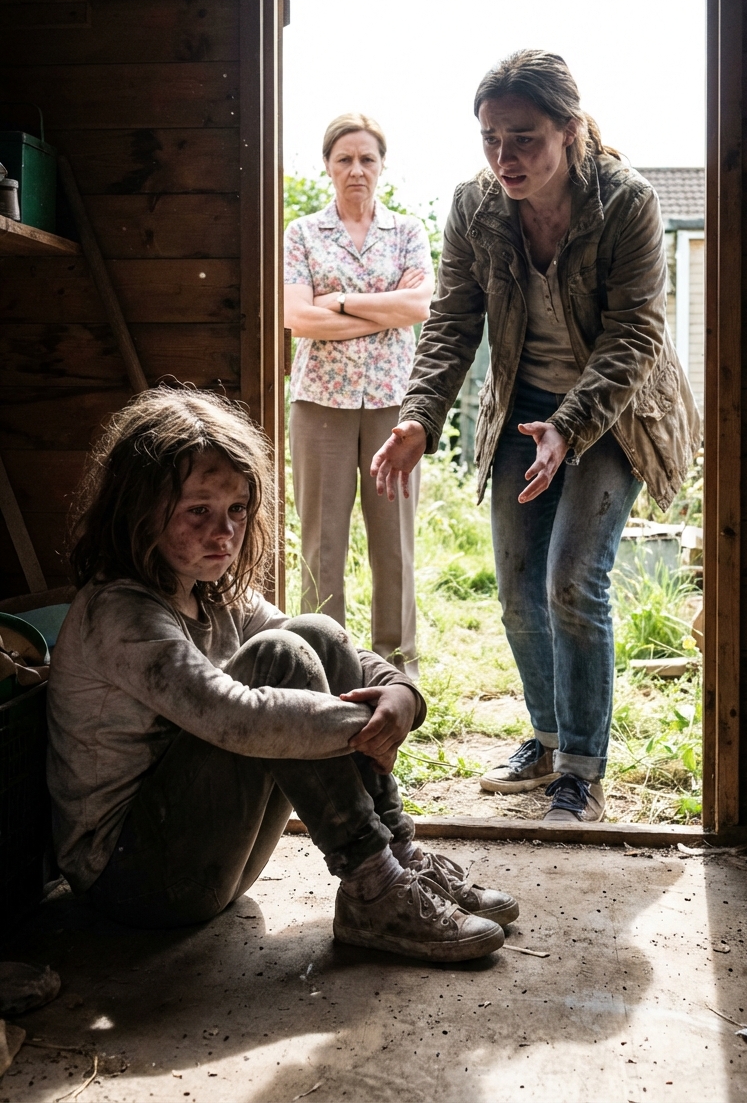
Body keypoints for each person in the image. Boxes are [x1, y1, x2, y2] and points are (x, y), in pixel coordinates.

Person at [46, 386, 516, 961]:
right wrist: (366, 723)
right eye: (199, 511)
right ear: (140, 509)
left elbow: (316, 639)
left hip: (210, 862)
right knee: (281, 659)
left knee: (313, 633)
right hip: (135, 881)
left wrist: (401, 690)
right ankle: (372, 885)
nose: (224, 532)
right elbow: (237, 719)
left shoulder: (208, 591)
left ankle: (396, 857)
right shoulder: (120, 612)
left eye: (237, 510)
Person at [371, 50, 700, 826]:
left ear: (571, 130)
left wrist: (570, 426)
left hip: (615, 410)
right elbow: (451, 323)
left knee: (572, 582)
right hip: (522, 408)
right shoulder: (475, 206)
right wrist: (419, 415)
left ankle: (581, 771)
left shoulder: (627, 203)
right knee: (520, 589)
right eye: (490, 138)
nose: (504, 157)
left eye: (524, 137)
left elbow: (635, 332)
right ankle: (547, 739)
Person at [284, 113, 434, 677]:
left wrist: (339, 301)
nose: (356, 170)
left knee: (393, 543)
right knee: (321, 543)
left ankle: (397, 670)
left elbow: (419, 306)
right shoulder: (300, 232)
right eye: (344, 158)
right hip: (320, 403)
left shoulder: (409, 231)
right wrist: (381, 309)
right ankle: (321, 669)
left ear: (381, 168)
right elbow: (297, 317)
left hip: (395, 403)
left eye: (366, 159)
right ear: (327, 166)